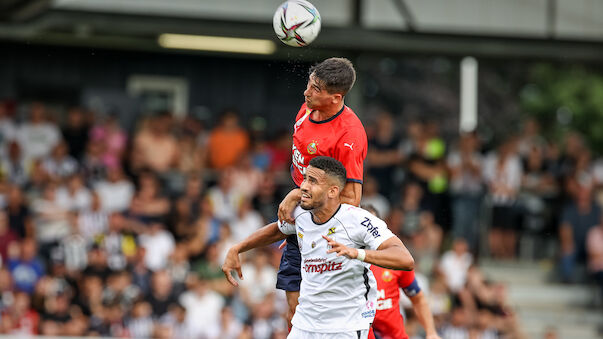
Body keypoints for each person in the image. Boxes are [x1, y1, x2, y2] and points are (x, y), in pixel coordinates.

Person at [223, 157, 414, 338]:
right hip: (305, 324)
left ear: (332, 191)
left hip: (345, 327)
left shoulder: (358, 220)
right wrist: (237, 248)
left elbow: (405, 259)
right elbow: (277, 230)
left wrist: (358, 253)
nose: (303, 186)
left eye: (312, 181)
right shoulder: (301, 215)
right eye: (305, 179)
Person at [277, 57, 368, 326]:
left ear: (336, 97)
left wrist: (298, 197)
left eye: (316, 89)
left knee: (324, 317)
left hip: (329, 234)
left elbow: (351, 199)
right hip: (306, 216)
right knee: (293, 313)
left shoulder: (349, 135)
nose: (307, 91)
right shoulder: (306, 109)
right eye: (309, 83)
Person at [362, 205, 441, 339]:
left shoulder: (395, 260)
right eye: (363, 224)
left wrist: (431, 332)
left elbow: (418, 299)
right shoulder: (344, 263)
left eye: (371, 224)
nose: (367, 229)